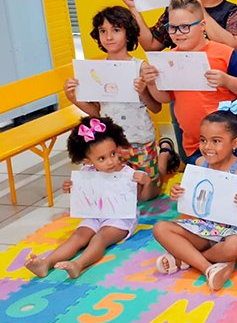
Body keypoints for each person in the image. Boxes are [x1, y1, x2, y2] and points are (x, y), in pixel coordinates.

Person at [140, 0, 237, 223]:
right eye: (172, 28)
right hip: (195, 137)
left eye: (185, 27)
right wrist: (151, 83)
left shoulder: (224, 52)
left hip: (232, 124)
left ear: (202, 26)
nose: (178, 33)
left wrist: (226, 80)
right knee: (207, 194)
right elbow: (165, 98)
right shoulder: (168, 58)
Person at [121, 0, 237, 169]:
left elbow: (235, 45)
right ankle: (171, 152)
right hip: (180, 92)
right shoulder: (176, 9)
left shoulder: (232, 12)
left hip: (220, 98)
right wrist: (133, 9)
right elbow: (151, 44)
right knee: (190, 155)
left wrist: (200, 11)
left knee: (228, 156)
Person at [152, 109, 237, 291]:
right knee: (160, 228)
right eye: (203, 140)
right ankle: (207, 267)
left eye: (216, 141)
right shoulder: (200, 164)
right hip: (206, 227)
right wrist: (178, 192)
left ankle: (185, 257)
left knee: (235, 246)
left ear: (235, 142)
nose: (207, 147)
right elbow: (193, 196)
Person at [24, 117, 150, 279]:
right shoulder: (86, 173)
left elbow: (143, 197)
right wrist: (71, 188)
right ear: (87, 160)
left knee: (99, 238)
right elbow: (85, 196)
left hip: (120, 219)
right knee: (77, 236)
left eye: (113, 154)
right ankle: (45, 263)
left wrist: (145, 183)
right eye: (102, 158)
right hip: (94, 216)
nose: (110, 161)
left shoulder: (128, 173)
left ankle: (78, 264)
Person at [63, 6, 162, 201]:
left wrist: (143, 90)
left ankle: (165, 157)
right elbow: (97, 113)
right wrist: (73, 98)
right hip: (111, 145)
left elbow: (156, 107)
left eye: (116, 30)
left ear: (128, 33)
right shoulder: (95, 71)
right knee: (117, 192)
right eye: (103, 31)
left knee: (145, 194)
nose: (108, 37)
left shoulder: (140, 67)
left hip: (140, 140)